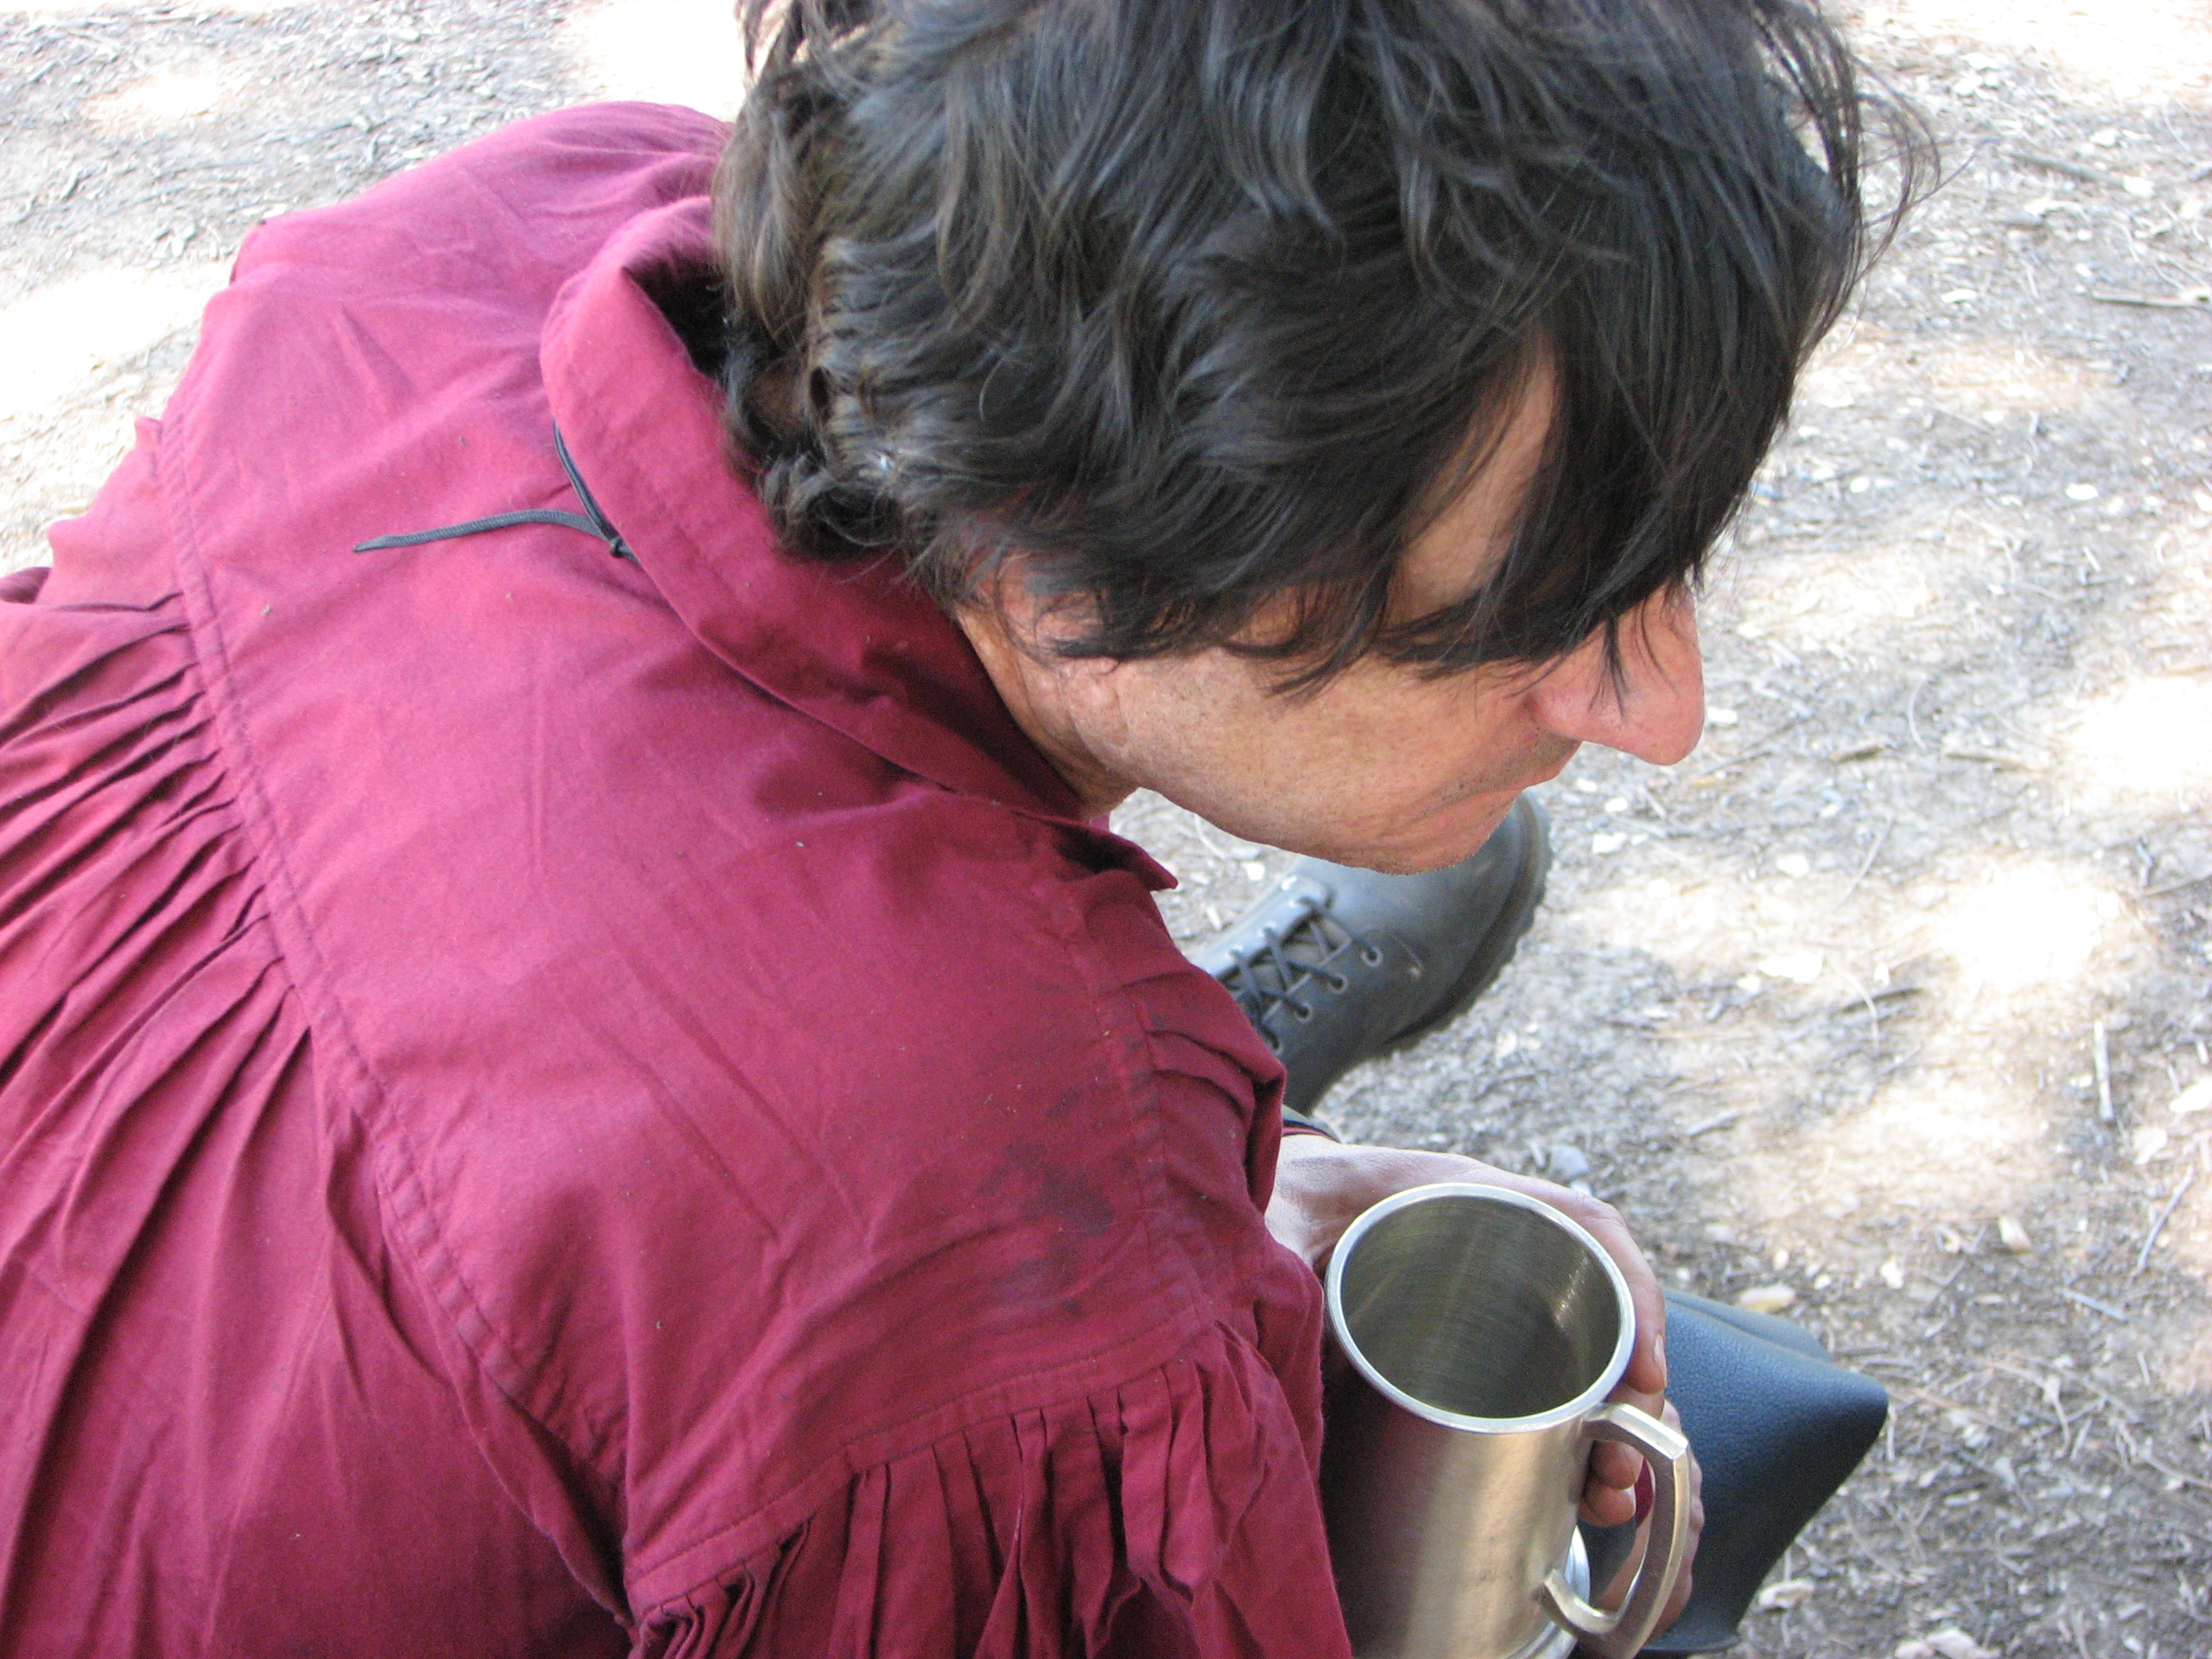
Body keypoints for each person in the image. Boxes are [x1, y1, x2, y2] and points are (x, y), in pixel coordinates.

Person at [0, 0, 1915, 1653]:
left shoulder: (514, 237)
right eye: (1532, 609)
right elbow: (842, 1212)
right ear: (1066, 571)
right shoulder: (962, 1267)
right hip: (907, 1196)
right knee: (1732, 1430)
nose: (1659, 711)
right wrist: (1087, 1244)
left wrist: (1211, 1195)